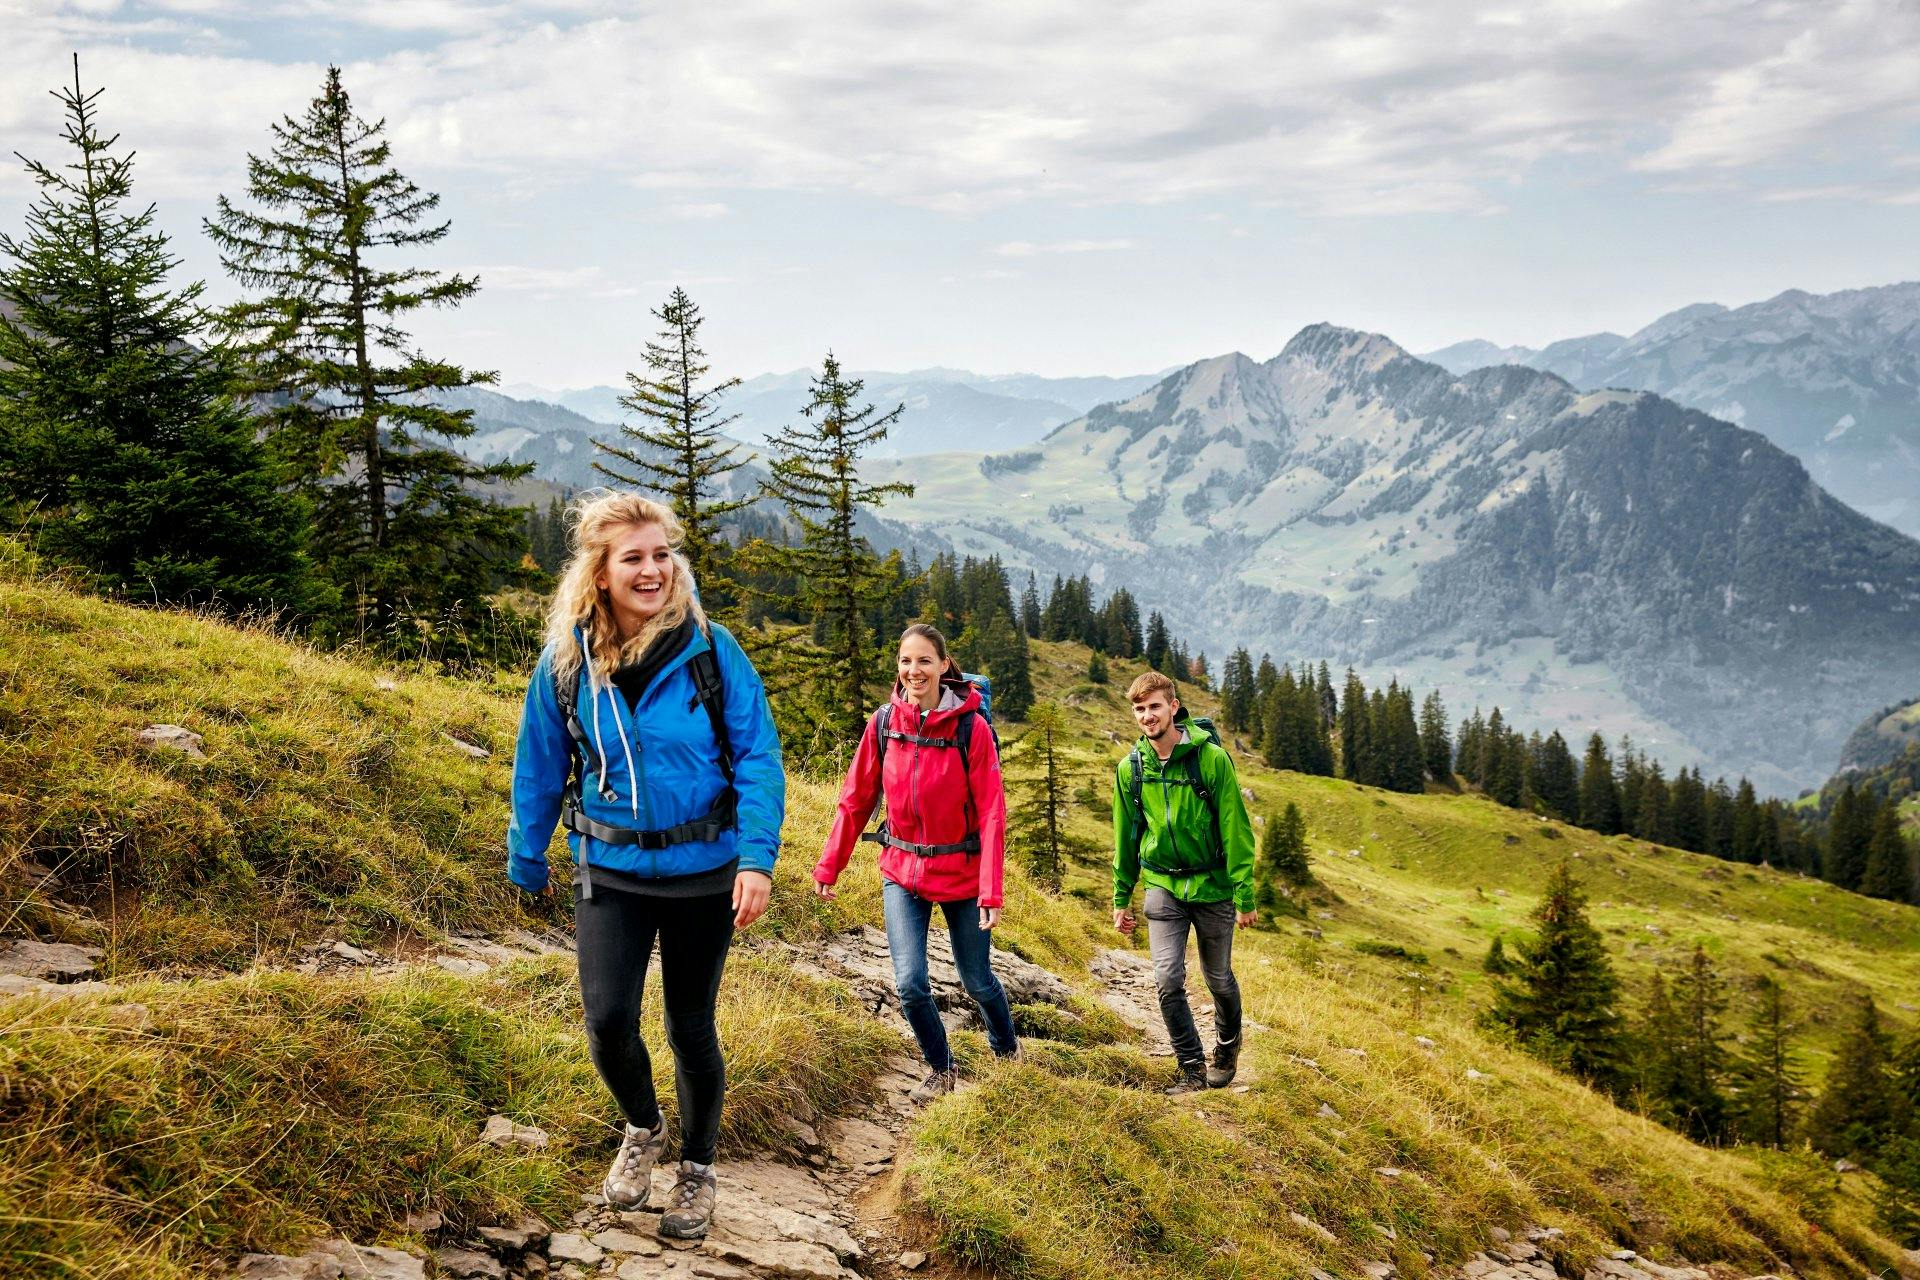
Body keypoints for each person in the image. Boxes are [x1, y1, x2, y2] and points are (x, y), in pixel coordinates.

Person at [507, 491, 784, 1241]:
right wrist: (525, 853)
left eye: (663, 554)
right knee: (606, 1021)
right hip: (611, 870)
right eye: (634, 557)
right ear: (600, 572)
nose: (654, 569)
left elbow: (759, 756)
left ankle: (697, 1170)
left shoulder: (711, 650)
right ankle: (641, 1128)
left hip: (706, 872)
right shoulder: (565, 664)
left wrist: (756, 860)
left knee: (690, 1025)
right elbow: (539, 763)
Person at [813, 623, 1019, 1101]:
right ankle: (941, 1068)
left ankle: (1006, 1052)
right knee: (909, 983)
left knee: (977, 980)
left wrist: (991, 891)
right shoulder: (884, 723)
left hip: (963, 875)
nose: (914, 670)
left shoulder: (973, 728)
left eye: (924, 660)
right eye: (906, 661)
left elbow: (991, 813)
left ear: (944, 666)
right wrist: (830, 864)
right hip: (901, 872)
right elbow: (856, 799)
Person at [1110, 670, 1255, 1093]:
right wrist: (1122, 896)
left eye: (1154, 706)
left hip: (1212, 887)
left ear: (1174, 707)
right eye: (1139, 709)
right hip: (1163, 885)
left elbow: (1235, 828)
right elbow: (1126, 835)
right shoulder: (1131, 769)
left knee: (1218, 978)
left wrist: (1244, 894)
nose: (1147, 716)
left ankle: (1226, 1049)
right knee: (1168, 979)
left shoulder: (1210, 759)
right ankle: (1191, 1068)